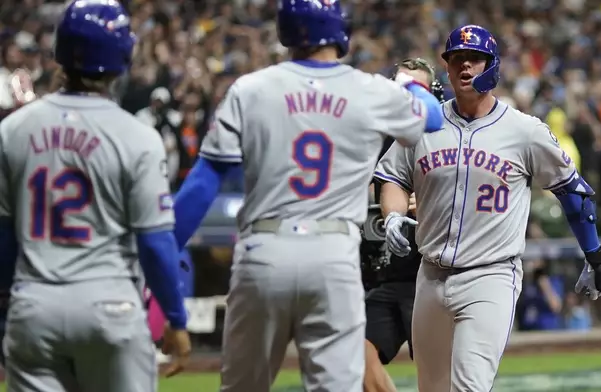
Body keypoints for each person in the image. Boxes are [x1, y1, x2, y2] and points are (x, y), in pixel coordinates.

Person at [170, 1, 443, 390]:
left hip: (263, 251)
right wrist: (411, 86)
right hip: (332, 255)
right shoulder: (368, 89)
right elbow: (432, 116)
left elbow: (201, 184)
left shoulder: (250, 88)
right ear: (341, 33)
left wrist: (163, 256)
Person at [375, 24, 601, 391]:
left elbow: (573, 192)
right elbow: (392, 176)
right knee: (431, 388)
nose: (464, 67)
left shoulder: (524, 130)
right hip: (430, 274)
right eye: (456, 60)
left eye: (474, 59)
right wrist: (392, 215)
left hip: (490, 276)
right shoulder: (423, 125)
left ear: (493, 66)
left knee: (470, 386)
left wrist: (595, 256)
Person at [0, 1, 190, 390]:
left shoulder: (13, 130)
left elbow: (3, 238)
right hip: (110, 305)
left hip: (34, 305)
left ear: (60, 53)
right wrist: (175, 316)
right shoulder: (137, 136)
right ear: (122, 58)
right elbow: (154, 243)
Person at [363, 58, 445, 392]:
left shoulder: (444, 139)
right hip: (384, 274)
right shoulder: (368, 140)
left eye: (416, 90)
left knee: (442, 378)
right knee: (354, 356)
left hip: (433, 275)